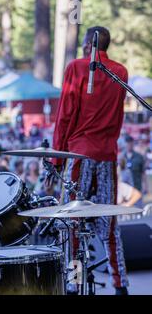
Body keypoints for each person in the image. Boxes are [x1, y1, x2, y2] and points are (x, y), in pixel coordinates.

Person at [52, 26, 129, 295]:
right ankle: (120, 284)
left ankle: (73, 282)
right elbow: (117, 116)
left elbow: (65, 115)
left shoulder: (76, 67)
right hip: (107, 155)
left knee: (71, 220)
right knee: (108, 223)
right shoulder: (120, 72)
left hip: (79, 156)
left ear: (88, 44)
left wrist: (56, 160)